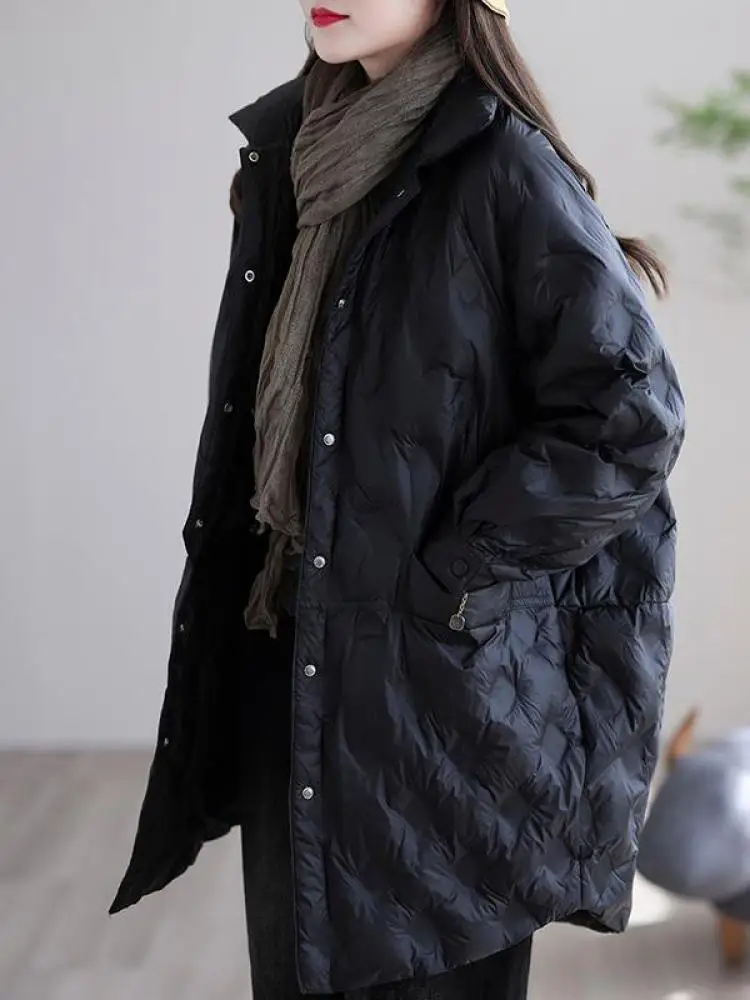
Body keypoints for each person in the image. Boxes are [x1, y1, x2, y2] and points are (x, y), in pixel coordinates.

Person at [108, 1, 686, 998]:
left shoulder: (502, 167)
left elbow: (630, 416)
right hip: (295, 658)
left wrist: (455, 571)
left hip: (440, 699)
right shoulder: (303, 159)